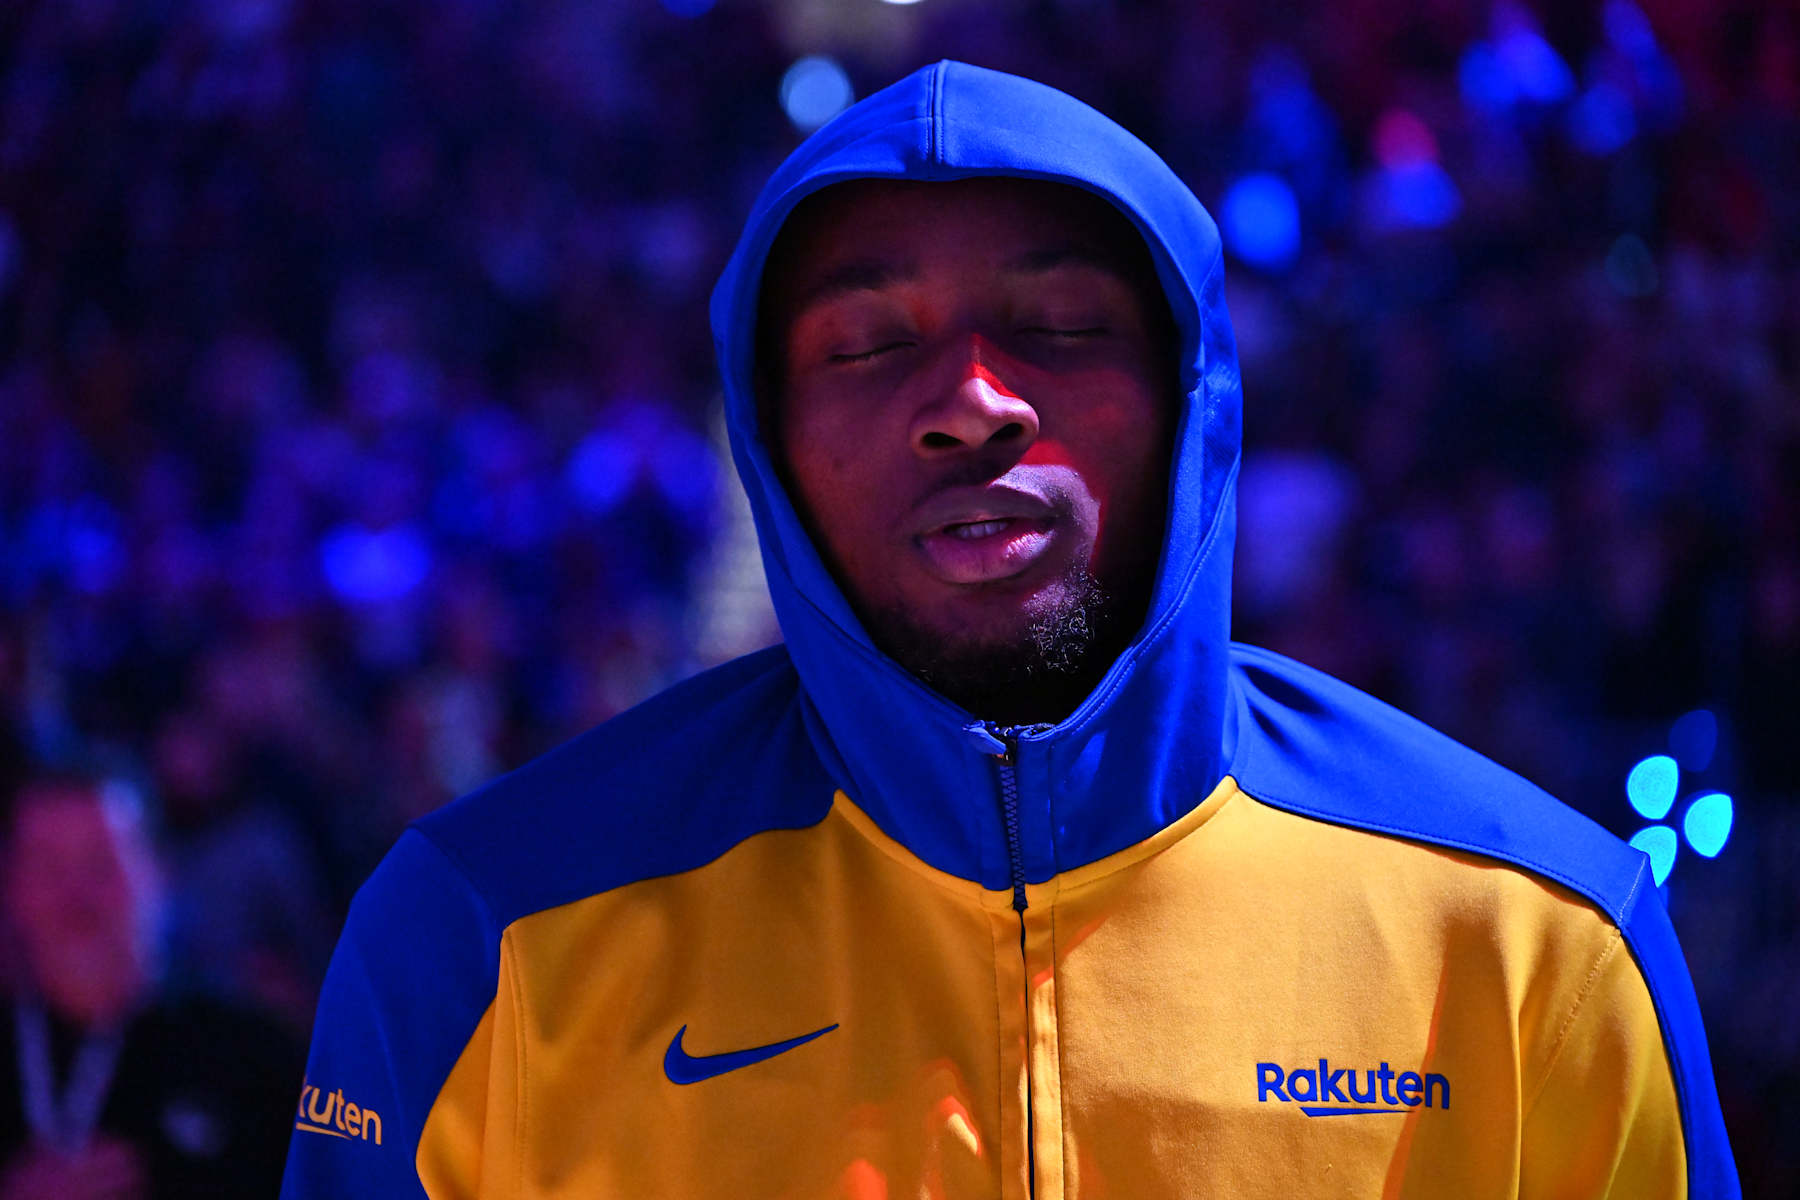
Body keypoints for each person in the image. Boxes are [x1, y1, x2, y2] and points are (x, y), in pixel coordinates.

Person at [280, 62, 1737, 1198]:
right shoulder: (483, 941)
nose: (973, 400)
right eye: (864, 344)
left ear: (1193, 404)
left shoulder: (1534, 937)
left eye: (1062, 326)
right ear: (771, 441)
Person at [0, 764, 302, 1199]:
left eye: (101, 864)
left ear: (159, 874)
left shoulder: (253, 1056)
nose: (76, 899)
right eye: (49, 868)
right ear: (12, 889)